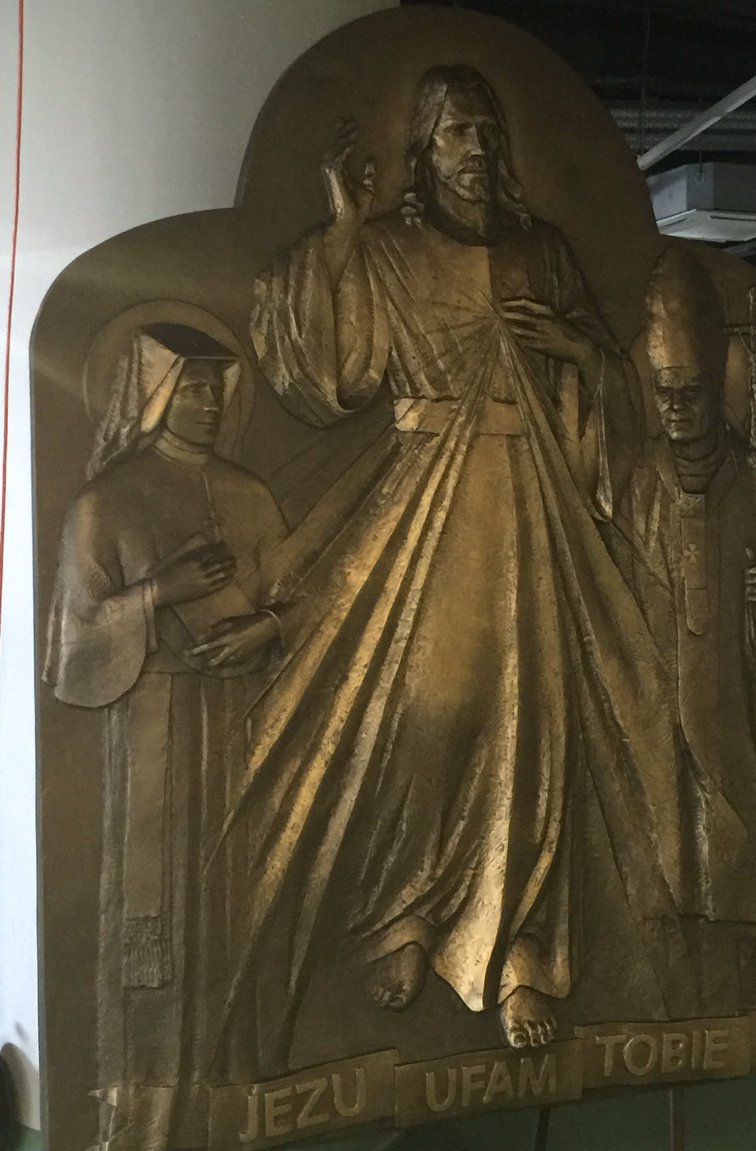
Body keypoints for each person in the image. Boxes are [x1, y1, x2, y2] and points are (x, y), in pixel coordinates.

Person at [237, 65, 700, 1053]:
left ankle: (522, 954)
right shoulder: (388, 248)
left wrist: (576, 354)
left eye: (488, 131)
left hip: (536, 511)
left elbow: (611, 392)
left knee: (534, 722)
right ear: (424, 151)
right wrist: (342, 230)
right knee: (428, 716)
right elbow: (328, 376)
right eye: (456, 133)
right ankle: (405, 918)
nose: (478, 150)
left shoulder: (545, 253)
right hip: (427, 514)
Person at [43, 323, 289, 1151]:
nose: (209, 402)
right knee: (155, 913)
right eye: (192, 386)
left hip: (239, 720)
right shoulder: (107, 502)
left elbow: (303, 597)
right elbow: (73, 644)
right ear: (152, 395)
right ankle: (147, 1110)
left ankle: (240, 1096)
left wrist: (266, 628)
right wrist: (158, 594)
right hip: (152, 723)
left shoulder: (250, 495)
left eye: (219, 386)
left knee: (234, 901)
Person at [607, 247, 756, 1007]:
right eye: (664, 392)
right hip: (658, 707)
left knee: (740, 848)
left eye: (691, 393)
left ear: (715, 389)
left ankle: (750, 974)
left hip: (740, 705)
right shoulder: (638, 486)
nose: (675, 408)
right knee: (666, 853)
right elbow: (612, 594)